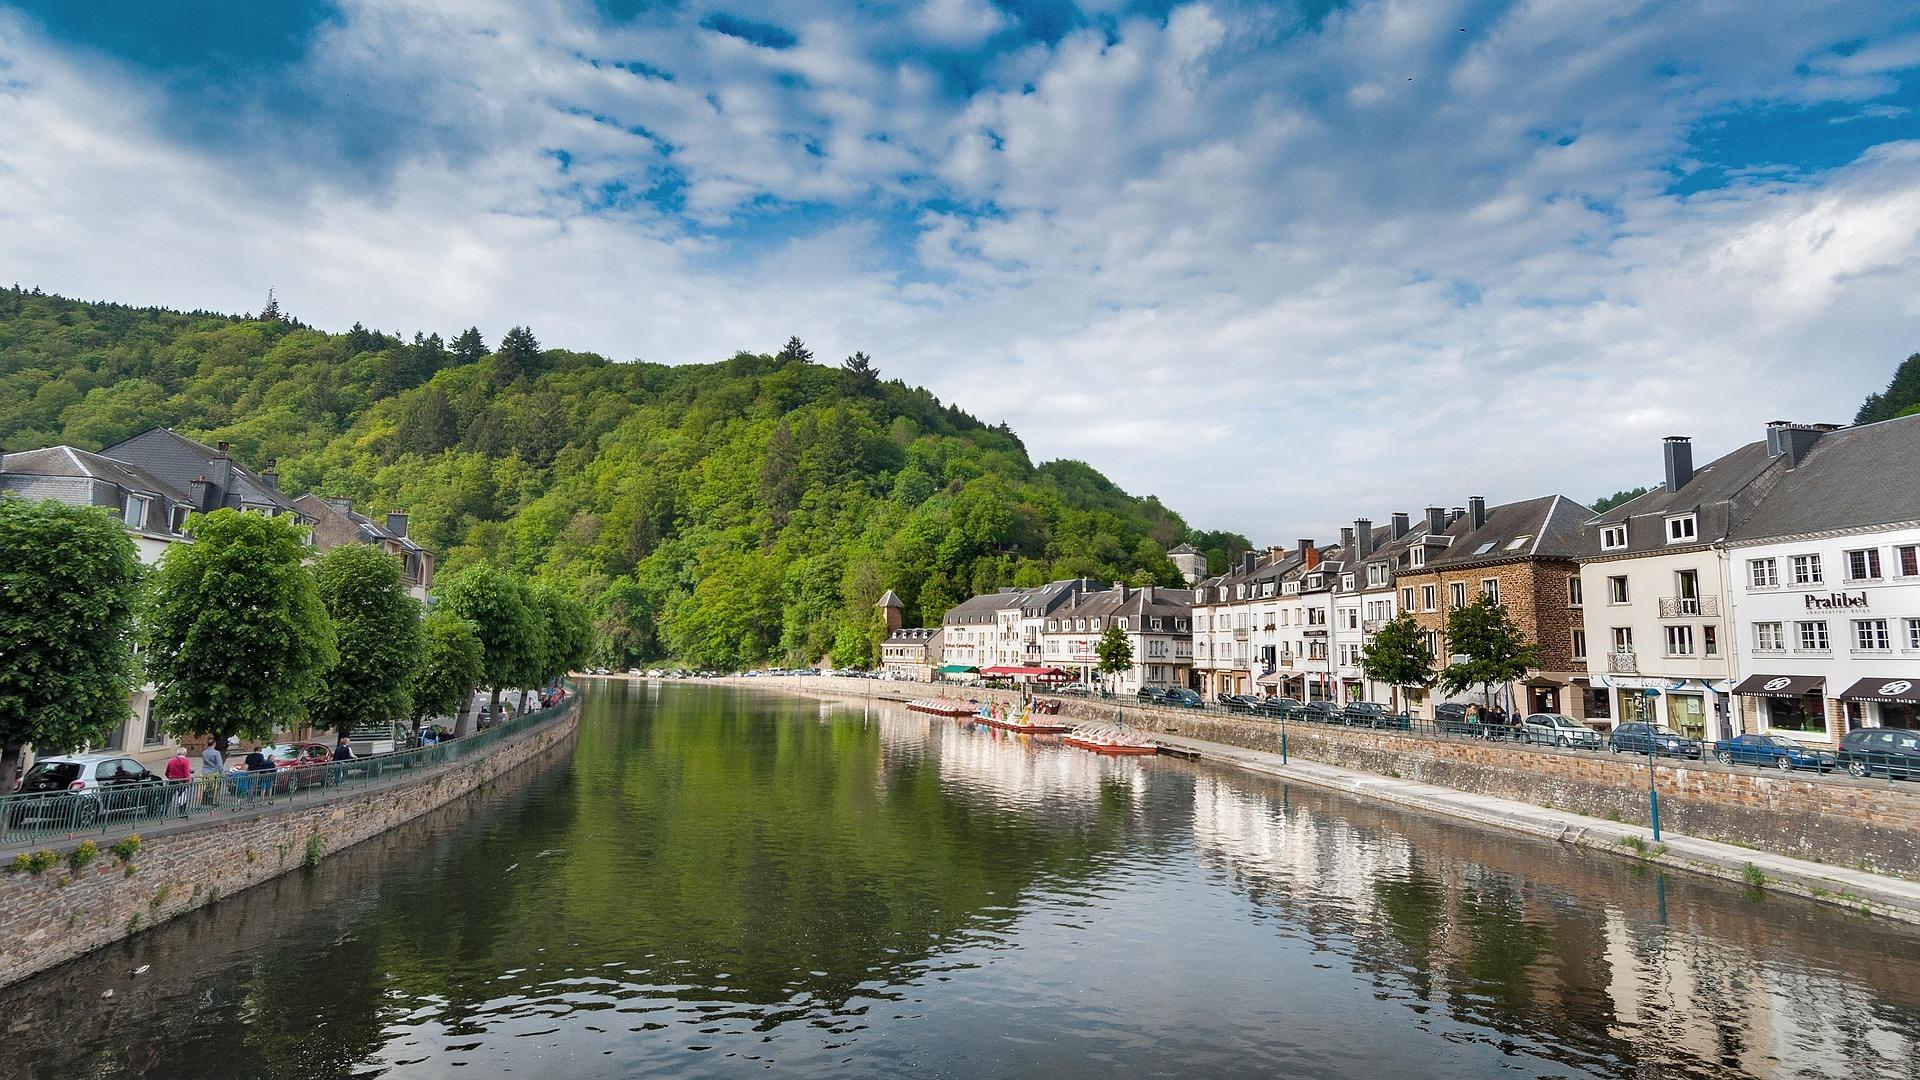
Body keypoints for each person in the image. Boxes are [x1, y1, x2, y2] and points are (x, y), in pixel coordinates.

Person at [164, 747, 193, 817]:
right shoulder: (185, 761)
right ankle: (182, 813)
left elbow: (166, 772)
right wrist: (187, 782)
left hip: (171, 780)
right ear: (185, 754)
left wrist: (170, 777)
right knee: (182, 797)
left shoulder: (171, 760)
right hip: (181, 781)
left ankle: (164, 813)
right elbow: (186, 773)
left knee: (168, 798)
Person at [200, 742, 223, 807]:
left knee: (203, 787)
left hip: (205, 771)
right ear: (214, 744)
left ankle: (202, 802)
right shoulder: (216, 753)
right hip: (213, 772)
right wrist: (221, 773)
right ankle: (213, 802)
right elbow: (220, 765)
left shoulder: (203, 752)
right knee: (215, 787)